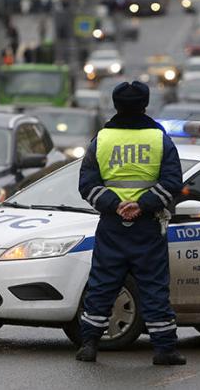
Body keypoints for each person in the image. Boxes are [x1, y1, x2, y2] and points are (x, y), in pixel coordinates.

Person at [76, 81, 186, 365]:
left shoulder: (101, 139)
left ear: (115, 105)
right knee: (154, 287)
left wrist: (115, 206)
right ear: (145, 105)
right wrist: (142, 205)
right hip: (148, 226)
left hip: (112, 225)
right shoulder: (159, 139)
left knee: (101, 285)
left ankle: (88, 344)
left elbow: (87, 185)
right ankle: (164, 350)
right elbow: (173, 182)